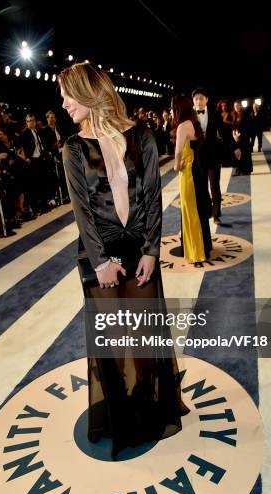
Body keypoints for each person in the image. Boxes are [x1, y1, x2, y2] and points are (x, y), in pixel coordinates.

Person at [59, 62, 189, 460]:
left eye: (67, 94)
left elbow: (152, 199)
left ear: (88, 93)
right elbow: (82, 212)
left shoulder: (142, 137)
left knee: (143, 337)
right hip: (98, 256)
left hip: (139, 251)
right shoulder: (73, 149)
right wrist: (101, 263)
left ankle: (147, 405)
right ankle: (121, 416)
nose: (63, 104)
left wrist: (152, 249)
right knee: (113, 341)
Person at [172, 94, 212, 263]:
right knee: (199, 208)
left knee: (190, 211)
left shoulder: (183, 126)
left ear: (178, 109)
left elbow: (178, 151)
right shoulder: (194, 123)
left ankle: (196, 251)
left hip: (188, 172)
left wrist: (176, 165)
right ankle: (204, 246)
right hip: (198, 170)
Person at [192, 88, 224, 224]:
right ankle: (206, 211)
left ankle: (216, 214)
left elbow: (224, 132)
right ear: (193, 101)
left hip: (213, 155)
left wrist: (235, 146)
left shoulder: (216, 114)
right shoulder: (189, 116)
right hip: (197, 157)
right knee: (201, 187)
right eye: (196, 99)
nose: (199, 101)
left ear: (207, 99)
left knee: (215, 186)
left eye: (201, 98)